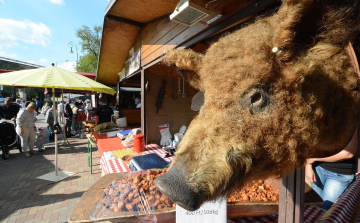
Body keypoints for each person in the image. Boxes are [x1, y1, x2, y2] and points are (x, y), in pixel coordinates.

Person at [305, 126, 359, 210]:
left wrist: (313, 159)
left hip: (339, 174)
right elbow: (307, 138)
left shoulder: (351, 114)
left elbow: (349, 152)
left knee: (325, 213)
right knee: (315, 208)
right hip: (316, 168)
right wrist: (308, 165)